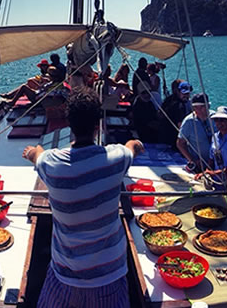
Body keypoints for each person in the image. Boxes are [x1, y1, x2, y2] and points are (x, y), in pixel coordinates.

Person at [22, 86, 144, 308]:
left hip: (64, 275)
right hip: (111, 275)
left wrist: (33, 150)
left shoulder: (51, 163)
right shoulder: (117, 159)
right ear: (97, 126)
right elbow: (132, 147)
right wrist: (137, 144)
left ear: (70, 124)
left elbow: (36, 155)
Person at [195, 106, 227, 183]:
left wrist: (211, 173)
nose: (219, 123)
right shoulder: (214, 137)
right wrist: (207, 172)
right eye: (216, 120)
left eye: (222, 120)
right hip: (215, 180)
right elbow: (211, 159)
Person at [176, 93, 215, 173]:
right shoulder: (189, 121)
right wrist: (192, 160)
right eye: (195, 107)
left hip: (216, 164)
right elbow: (180, 143)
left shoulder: (215, 118)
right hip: (199, 165)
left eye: (202, 107)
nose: (199, 110)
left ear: (208, 106)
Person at [2, 66, 70, 107]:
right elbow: (43, 88)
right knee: (27, 84)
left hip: (38, 99)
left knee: (24, 87)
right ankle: (10, 96)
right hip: (39, 94)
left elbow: (50, 93)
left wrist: (43, 86)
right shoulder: (53, 83)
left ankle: (12, 102)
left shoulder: (56, 86)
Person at [158, 80, 192, 148]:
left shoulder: (169, 99)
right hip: (172, 138)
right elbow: (180, 126)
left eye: (188, 94)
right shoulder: (179, 106)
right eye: (184, 94)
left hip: (164, 134)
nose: (186, 96)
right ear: (178, 92)